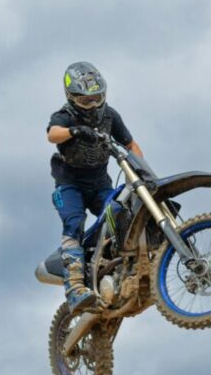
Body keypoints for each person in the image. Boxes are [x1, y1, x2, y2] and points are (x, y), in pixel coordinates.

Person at [46, 61, 144, 313]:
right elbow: (53, 134)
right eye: (85, 100)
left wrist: (141, 168)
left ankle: (121, 265)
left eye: (96, 98)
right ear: (72, 97)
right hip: (70, 184)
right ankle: (75, 287)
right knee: (74, 221)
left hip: (100, 182)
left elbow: (131, 144)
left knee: (122, 212)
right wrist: (75, 131)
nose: (92, 104)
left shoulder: (110, 115)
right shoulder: (64, 116)